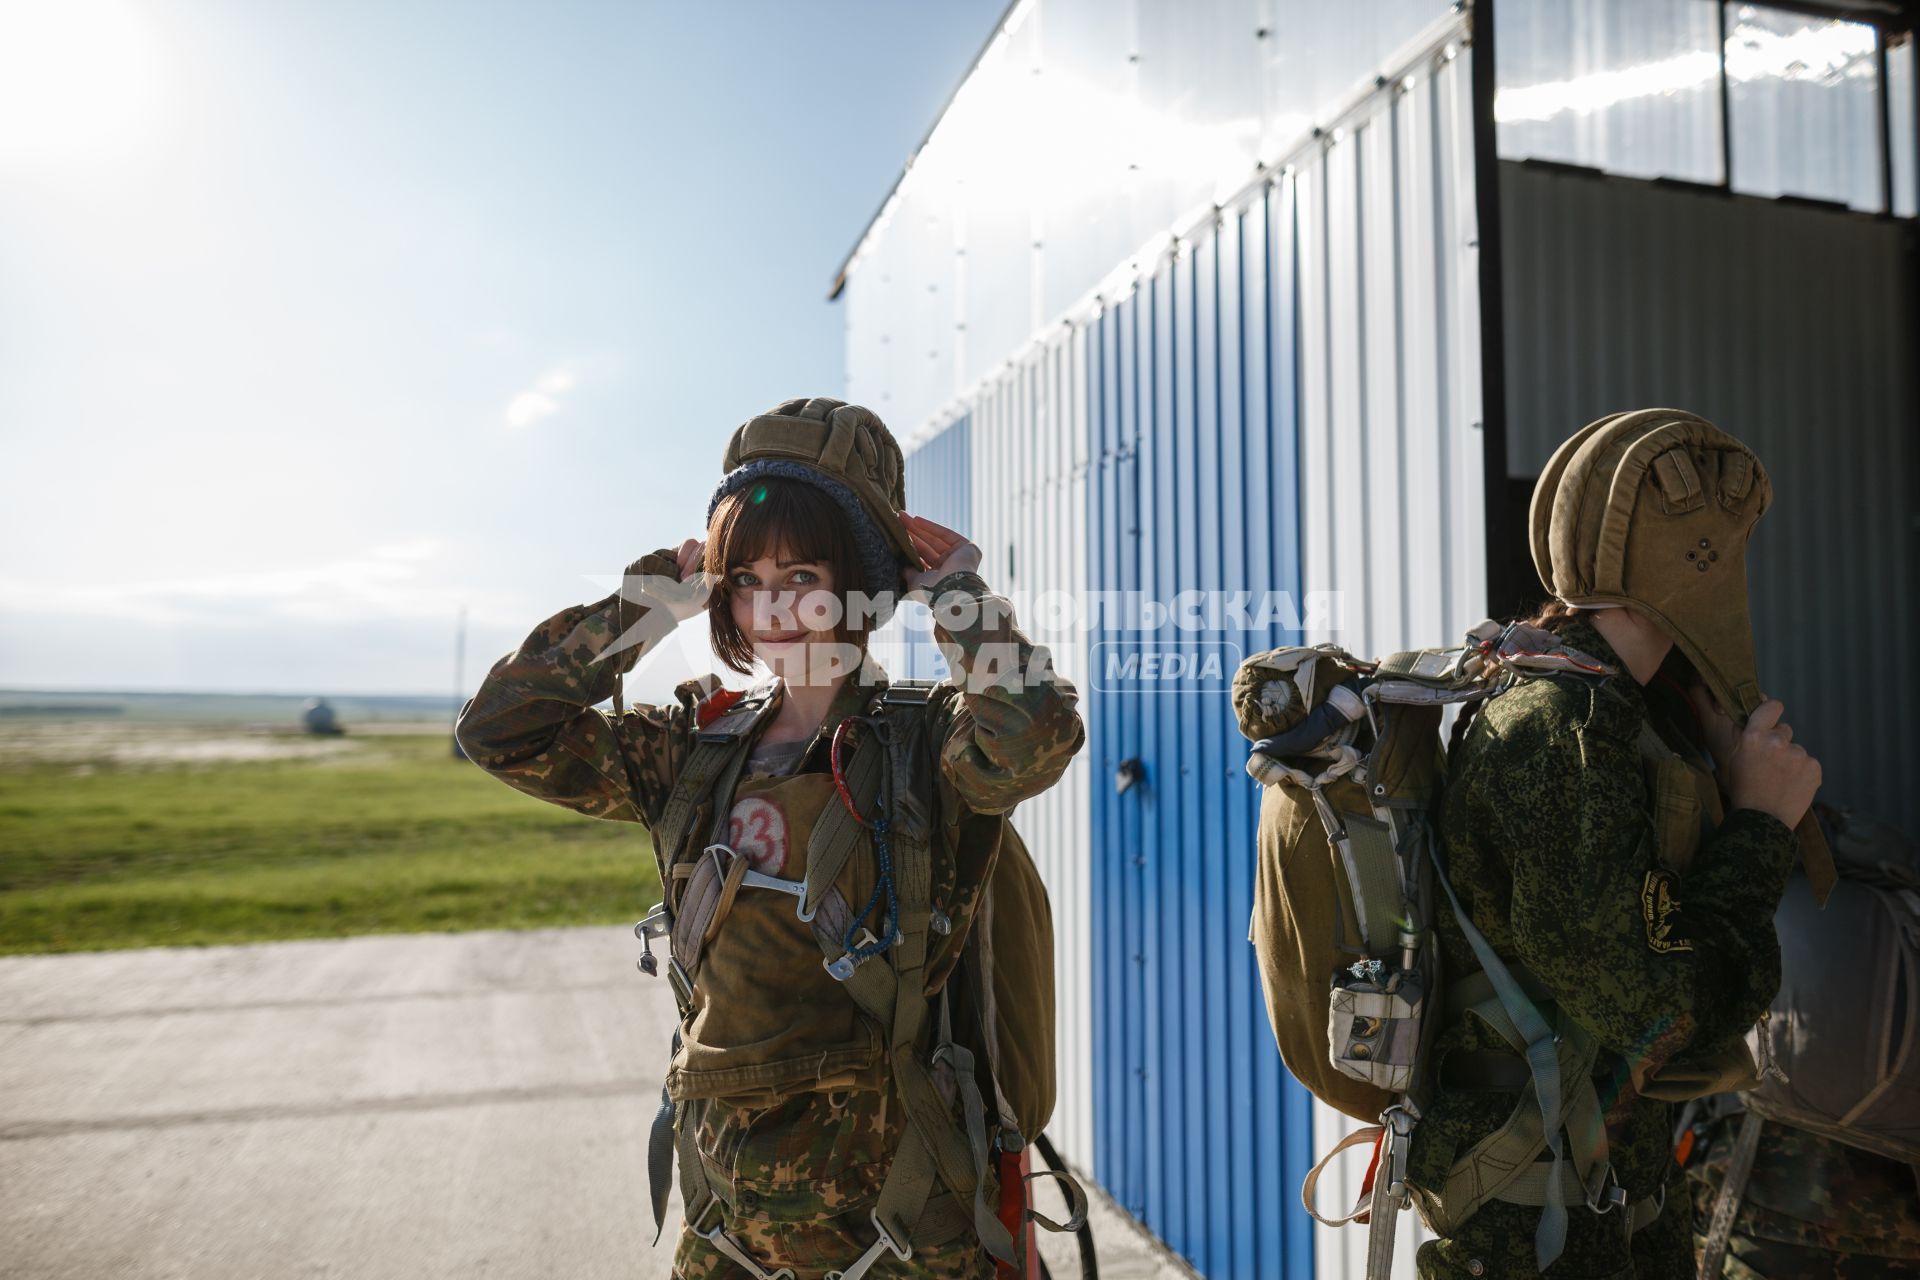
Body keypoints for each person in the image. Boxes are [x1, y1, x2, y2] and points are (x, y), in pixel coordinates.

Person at [455, 397, 1085, 1280]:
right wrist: (639, 612)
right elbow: (500, 731)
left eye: (800, 575)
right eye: (743, 579)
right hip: (729, 1230)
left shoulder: (930, 750)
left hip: (908, 1231)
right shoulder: (691, 753)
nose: (772, 607)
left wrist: (960, 604)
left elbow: (1035, 736)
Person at [1405, 409, 1827, 1279]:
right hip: (1541, 1222)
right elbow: (1657, 1010)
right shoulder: (1567, 728)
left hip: (1586, 1198)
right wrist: (1758, 826)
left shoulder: (1593, 706)